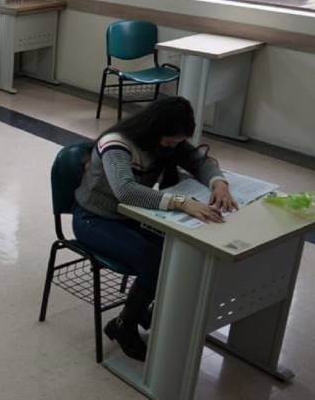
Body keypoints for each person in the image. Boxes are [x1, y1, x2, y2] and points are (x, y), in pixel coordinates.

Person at [73, 97, 236, 361]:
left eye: (176, 142)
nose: (173, 146)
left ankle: (141, 306)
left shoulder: (165, 143)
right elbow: (125, 191)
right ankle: (124, 324)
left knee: (176, 251)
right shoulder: (117, 144)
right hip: (94, 218)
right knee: (153, 261)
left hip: (130, 217)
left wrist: (219, 183)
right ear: (154, 129)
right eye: (170, 141)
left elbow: (199, 162)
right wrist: (181, 204)